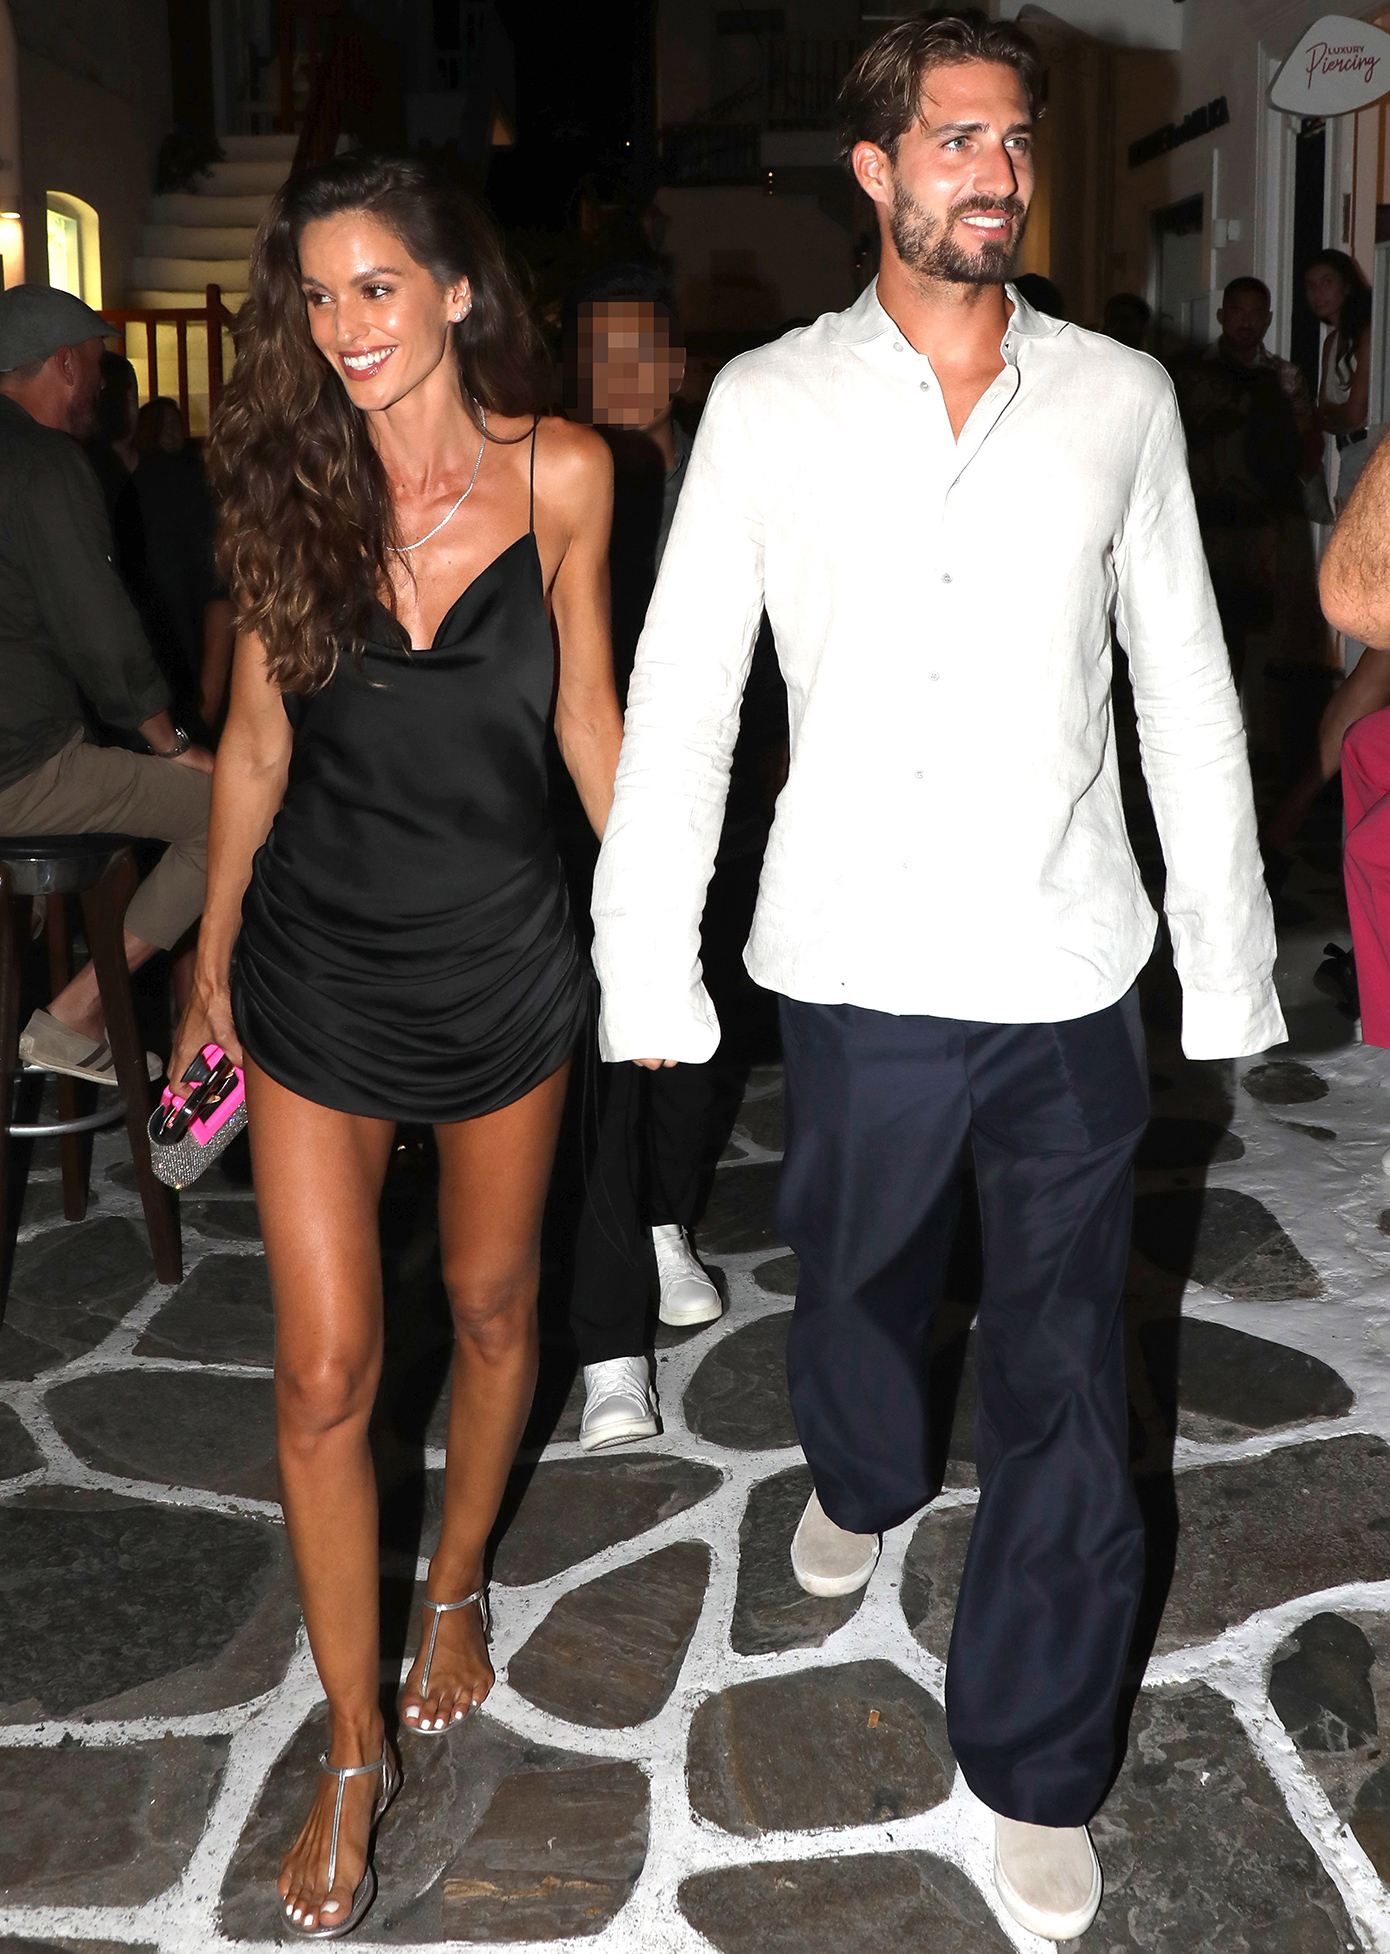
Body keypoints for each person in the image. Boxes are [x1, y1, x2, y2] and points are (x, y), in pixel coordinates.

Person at [589, 10, 1283, 1943]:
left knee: (1068, 1369)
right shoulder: (770, 405)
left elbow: (1187, 684)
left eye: (1013, 139)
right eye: (956, 137)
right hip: (857, 968)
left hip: (1067, 970)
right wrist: (647, 949)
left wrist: (1223, 957)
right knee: (860, 1292)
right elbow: (685, 691)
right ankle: (865, 1461)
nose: (996, 169)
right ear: (876, 170)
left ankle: (1040, 1754)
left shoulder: (1119, 399)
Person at [168, 153, 621, 1939]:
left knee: (498, 1308)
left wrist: (661, 932)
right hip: (319, 974)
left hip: (505, 962)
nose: (346, 324)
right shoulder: (286, 487)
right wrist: (210, 957)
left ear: (454, 289)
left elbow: (586, 718)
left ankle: (454, 1582)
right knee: (324, 1372)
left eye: (377, 286)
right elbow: (255, 747)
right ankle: (350, 1741)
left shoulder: (565, 472)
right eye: (319, 294)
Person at [557, 262, 723, 1453]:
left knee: (692, 1031)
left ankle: (669, 1217)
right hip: (596, 784)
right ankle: (623, 1292)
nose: (617, 377)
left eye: (637, 354)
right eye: (596, 355)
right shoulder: (565, 473)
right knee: (614, 1043)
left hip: (721, 785)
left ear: (673, 365)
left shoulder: (719, 467)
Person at [0, 285, 213, 1087]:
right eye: (95, 363)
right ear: (64, 363)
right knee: (237, 808)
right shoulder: (45, 463)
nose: (101, 383)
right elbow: (100, 631)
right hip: (20, 771)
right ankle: (77, 1013)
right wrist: (171, 742)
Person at [1174, 275, 1310, 686]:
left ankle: (1252, 711)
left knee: (1260, 625)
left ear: (1268, 320)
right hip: (1201, 517)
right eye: (1238, 311)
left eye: (1256, 314)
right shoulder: (1191, 372)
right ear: (1221, 315)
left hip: (1260, 520)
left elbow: (1304, 443)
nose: (1246, 322)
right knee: (1199, 622)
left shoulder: (1284, 376)